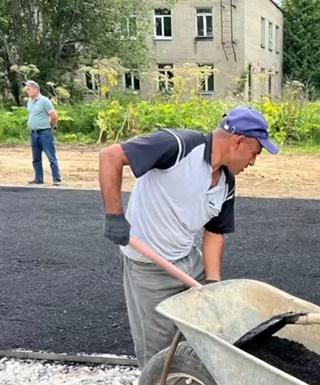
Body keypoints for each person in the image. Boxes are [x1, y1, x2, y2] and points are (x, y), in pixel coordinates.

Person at [98, 106, 278, 369]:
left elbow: (215, 233)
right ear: (239, 141)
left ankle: (197, 382)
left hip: (187, 259)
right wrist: (114, 215)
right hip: (149, 267)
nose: (253, 162)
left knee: (213, 324)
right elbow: (110, 156)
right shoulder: (179, 146)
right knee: (159, 351)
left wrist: (213, 285)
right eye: (255, 153)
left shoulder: (226, 183)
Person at [24, 80, 62, 186]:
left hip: (45, 132)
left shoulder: (45, 101)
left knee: (51, 156)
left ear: (36, 89)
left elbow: (53, 115)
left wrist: (52, 126)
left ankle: (56, 179)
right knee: (36, 158)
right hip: (34, 133)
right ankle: (38, 178)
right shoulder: (29, 102)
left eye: (29, 89)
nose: (27, 91)